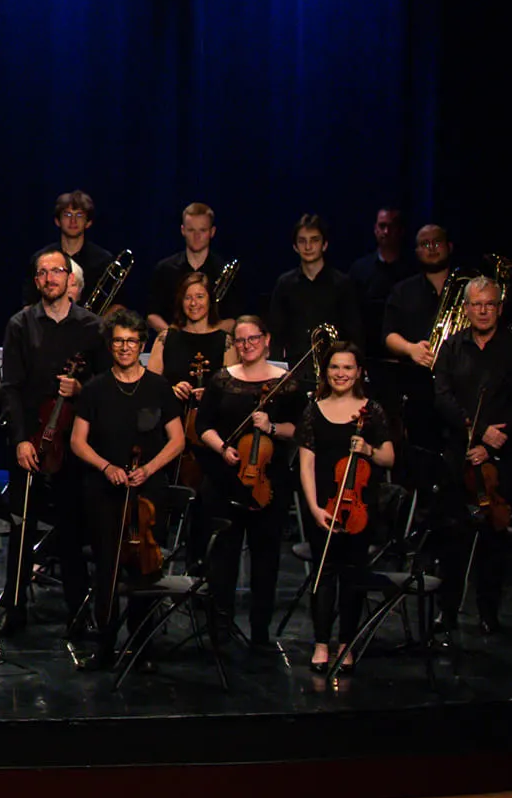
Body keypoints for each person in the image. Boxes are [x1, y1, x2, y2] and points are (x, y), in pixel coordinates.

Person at [0, 248, 105, 634]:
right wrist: (21, 441)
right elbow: (11, 388)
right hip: (31, 445)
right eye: (42, 272)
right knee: (21, 529)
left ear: (69, 279)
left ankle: (80, 612)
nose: (49, 278)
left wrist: (82, 387)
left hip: (73, 446)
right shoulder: (21, 324)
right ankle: (14, 609)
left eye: (56, 271)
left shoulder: (92, 327)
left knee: (73, 530)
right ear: (36, 280)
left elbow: (107, 386)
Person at [68, 312, 184, 669]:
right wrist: (106, 467)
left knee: (145, 570)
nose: (125, 348)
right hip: (105, 491)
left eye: (132, 341)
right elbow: (77, 441)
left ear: (142, 345)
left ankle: (142, 646)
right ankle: (104, 647)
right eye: (118, 341)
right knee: (107, 570)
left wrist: (148, 469)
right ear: (110, 345)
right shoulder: (95, 389)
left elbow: (177, 440)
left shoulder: (158, 387)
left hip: (148, 491)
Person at [430, 276, 512, 642]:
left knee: (494, 537)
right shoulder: (452, 346)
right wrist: (474, 432)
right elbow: (442, 397)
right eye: (477, 304)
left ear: (499, 308)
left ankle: (489, 613)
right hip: (458, 451)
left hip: (498, 453)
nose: (483, 310)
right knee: (452, 536)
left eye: (490, 304)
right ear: (468, 308)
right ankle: (447, 612)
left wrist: (490, 444)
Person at [194, 317, 301, 650]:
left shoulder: (288, 383)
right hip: (226, 480)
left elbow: (300, 430)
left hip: (269, 482)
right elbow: (203, 425)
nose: (247, 345)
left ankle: (260, 632)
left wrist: (271, 427)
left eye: (253, 338)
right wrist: (222, 448)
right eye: (240, 341)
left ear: (266, 338)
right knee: (222, 559)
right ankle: (221, 628)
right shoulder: (222, 380)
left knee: (266, 558)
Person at [296, 342, 394, 672]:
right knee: (323, 576)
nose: (341, 374)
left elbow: (389, 457)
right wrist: (312, 507)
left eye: (348, 368)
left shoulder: (372, 411)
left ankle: (346, 644)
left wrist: (367, 448)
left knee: (353, 577)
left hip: (359, 508)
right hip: (323, 505)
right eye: (335, 367)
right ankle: (321, 643)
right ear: (326, 371)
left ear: (359, 372)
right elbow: (306, 464)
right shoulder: (313, 410)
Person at [264, 215, 365, 388]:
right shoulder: (285, 284)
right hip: (294, 371)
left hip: (334, 372)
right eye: (302, 241)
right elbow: (276, 332)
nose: (308, 246)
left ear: (324, 245)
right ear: (295, 246)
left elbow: (354, 333)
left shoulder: (342, 284)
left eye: (314, 240)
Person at [381, 224, 456, 448]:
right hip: (419, 389)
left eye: (437, 242)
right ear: (416, 252)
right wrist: (411, 349)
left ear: (449, 247)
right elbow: (388, 335)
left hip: (461, 388)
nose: (431, 248)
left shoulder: (468, 288)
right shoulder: (403, 291)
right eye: (425, 244)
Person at [145, 203, 238, 334]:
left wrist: (207, 336)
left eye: (202, 230)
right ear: (183, 230)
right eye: (191, 230)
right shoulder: (164, 269)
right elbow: (152, 315)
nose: (197, 236)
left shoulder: (224, 272)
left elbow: (233, 319)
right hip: (173, 347)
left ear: (212, 232)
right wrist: (174, 338)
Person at [347, 206, 416, 357]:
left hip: (406, 353)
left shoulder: (414, 270)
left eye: (391, 226)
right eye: (382, 226)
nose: (386, 232)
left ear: (401, 230)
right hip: (366, 352)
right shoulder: (359, 269)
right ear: (375, 229)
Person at [150, 272, 234, 396]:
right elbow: (150, 386)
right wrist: (171, 391)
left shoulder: (225, 342)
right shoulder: (165, 338)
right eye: (187, 297)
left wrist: (210, 395)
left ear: (210, 300)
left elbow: (231, 392)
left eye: (200, 297)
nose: (193, 303)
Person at [28, 191, 113, 306]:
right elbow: (29, 304)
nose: (73, 221)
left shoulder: (104, 260)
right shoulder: (40, 259)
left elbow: (117, 305)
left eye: (79, 215)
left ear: (88, 223)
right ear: (57, 221)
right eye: (67, 215)